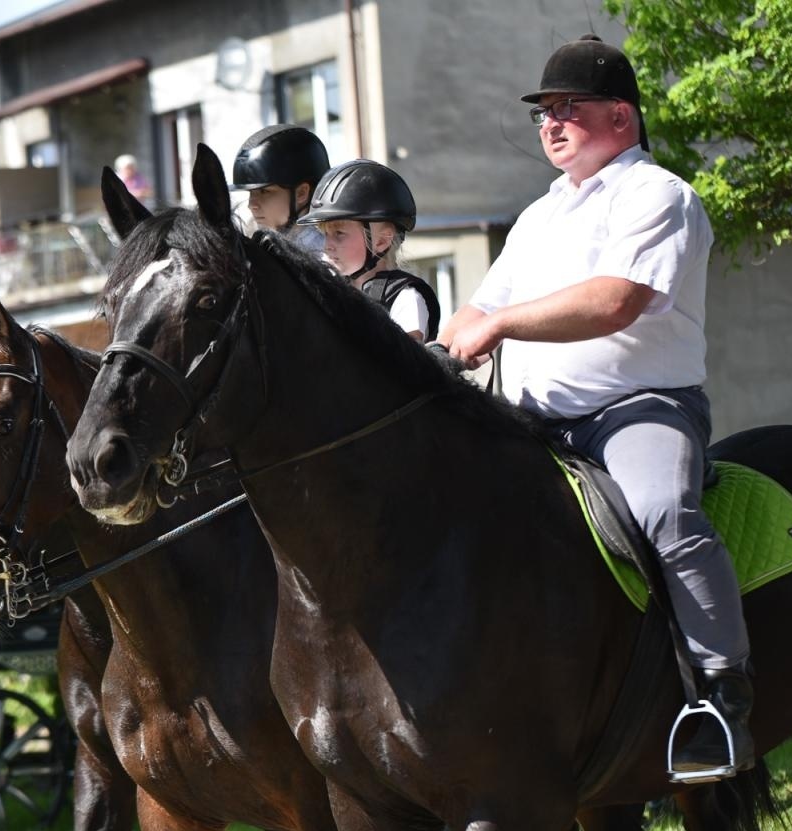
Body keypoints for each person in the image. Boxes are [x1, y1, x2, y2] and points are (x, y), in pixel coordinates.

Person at [438, 34, 754, 779]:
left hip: (637, 409)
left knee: (662, 512)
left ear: (621, 115)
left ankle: (722, 697)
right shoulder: (540, 214)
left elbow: (617, 302)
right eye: (543, 112)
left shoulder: (660, 196)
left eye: (567, 108)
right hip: (534, 420)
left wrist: (501, 326)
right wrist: (427, 347)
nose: (550, 122)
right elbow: (475, 311)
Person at [301, 159, 441, 342]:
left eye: (339, 233)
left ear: (381, 241)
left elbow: (406, 367)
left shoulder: (405, 299)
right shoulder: (329, 293)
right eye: (325, 234)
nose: (327, 245)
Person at [230, 124, 331, 253]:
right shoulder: (263, 247)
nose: (251, 205)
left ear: (301, 193)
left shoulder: (329, 260)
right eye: (251, 192)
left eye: (264, 191)